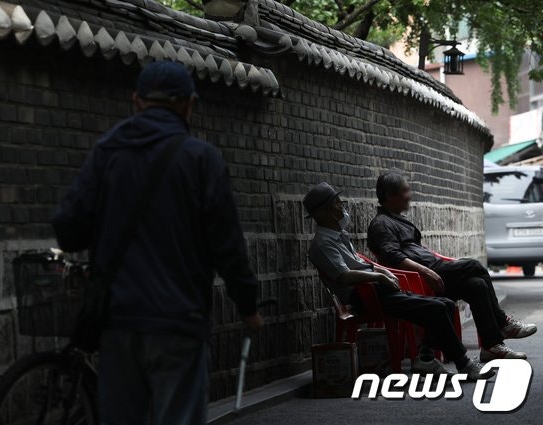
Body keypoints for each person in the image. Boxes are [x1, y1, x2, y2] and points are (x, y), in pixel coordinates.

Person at [52, 61, 264, 425]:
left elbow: (69, 229)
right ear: (188, 104)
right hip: (179, 321)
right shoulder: (201, 159)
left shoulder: (107, 152)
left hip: (118, 320)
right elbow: (227, 244)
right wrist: (248, 305)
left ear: (137, 101)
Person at [305, 182, 493, 380]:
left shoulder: (339, 236)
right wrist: (379, 276)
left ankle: (426, 359)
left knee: (444, 303)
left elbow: (362, 263)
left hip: (378, 290)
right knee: (436, 309)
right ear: (323, 212)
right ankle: (465, 364)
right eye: (336, 204)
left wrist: (383, 272)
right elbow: (343, 276)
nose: (342, 207)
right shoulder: (323, 244)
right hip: (364, 296)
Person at [368, 171, 537, 362]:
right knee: (474, 265)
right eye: (405, 191)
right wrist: (426, 271)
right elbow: (392, 256)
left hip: (435, 271)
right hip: (420, 280)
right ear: (390, 195)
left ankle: (491, 347)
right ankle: (503, 323)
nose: (409, 196)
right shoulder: (381, 224)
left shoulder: (397, 219)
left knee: (477, 285)